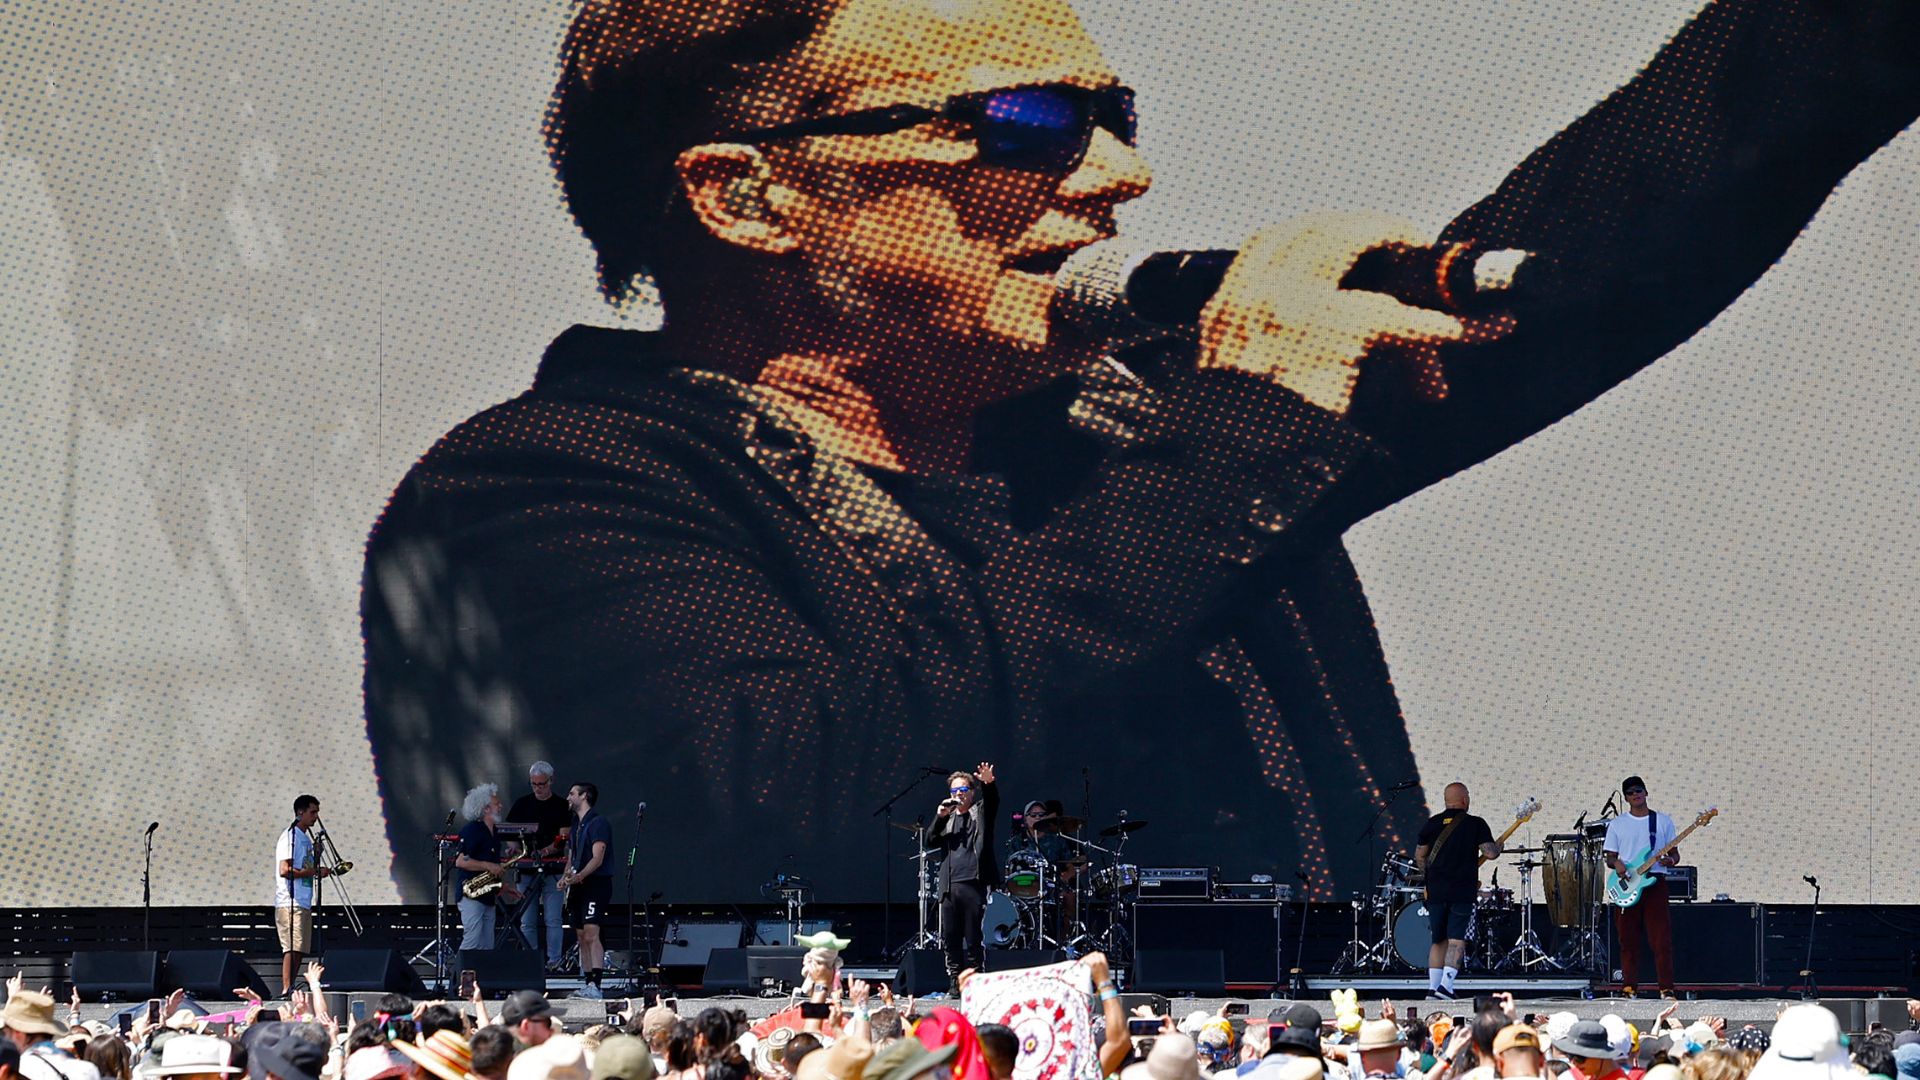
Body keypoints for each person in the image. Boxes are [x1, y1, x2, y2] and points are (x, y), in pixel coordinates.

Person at [360, 0, 1920, 904]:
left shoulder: (1134, 422)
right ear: (749, 196)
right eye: (1025, 122)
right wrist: (1246, 425)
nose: (1123, 175)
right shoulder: (537, 497)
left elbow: (1589, 262)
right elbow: (800, 800)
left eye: (1114, 110)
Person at [1413, 783, 1498, 999]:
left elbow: (1420, 856)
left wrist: (1430, 876)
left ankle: (1433, 989)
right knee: (1456, 939)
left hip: (1435, 891)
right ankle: (1447, 986)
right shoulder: (1475, 824)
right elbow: (1490, 853)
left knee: (1438, 939)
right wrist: (1499, 847)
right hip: (1461, 890)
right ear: (1465, 800)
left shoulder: (1431, 824)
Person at [923, 763, 999, 989]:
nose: (958, 795)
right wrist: (939, 816)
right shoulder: (947, 818)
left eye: (963, 790)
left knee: (973, 937)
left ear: (971, 793)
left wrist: (988, 783)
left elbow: (992, 801)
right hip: (949, 886)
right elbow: (930, 841)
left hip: (973, 882)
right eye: (954, 791)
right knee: (950, 937)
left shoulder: (980, 813)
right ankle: (954, 983)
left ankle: (976, 982)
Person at [1602, 776, 1678, 998]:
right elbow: (1610, 857)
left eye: (1639, 790)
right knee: (1628, 938)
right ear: (1626, 798)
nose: (1636, 795)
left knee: (1661, 938)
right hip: (1627, 884)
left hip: (1655, 882)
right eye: (1630, 792)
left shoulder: (1662, 821)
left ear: (1646, 792)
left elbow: (1675, 854)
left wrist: (1669, 861)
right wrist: (1617, 865)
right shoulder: (1617, 824)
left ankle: (1666, 987)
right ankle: (1629, 987)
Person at [507, 762, 575, 971]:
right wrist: (516, 850)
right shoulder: (521, 804)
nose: (538, 788)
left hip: (553, 869)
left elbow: (564, 837)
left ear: (551, 781)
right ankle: (531, 962)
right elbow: (509, 834)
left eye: (542, 784)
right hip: (526, 870)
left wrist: (544, 852)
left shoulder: (562, 805)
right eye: (534, 784)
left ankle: (554, 961)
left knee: (553, 918)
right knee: (527, 921)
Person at [274, 795, 332, 995]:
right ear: (300, 812)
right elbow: (285, 870)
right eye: (312, 812)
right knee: (291, 946)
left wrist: (316, 855)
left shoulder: (305, 838)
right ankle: (285, 988)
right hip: (290, 899)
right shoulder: (290, 837)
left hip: (303, 899)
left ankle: (290, 988)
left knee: (299, 947)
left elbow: (305, 866)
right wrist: (316, 872)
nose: (315, 817)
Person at [560, 781, 613, 994]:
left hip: (595, 884)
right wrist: (566, 877)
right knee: (581, 936)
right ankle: (587, 982)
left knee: (592, 933)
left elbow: (597, 857)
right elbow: (572, 856)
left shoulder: (598, 823)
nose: (568, 797)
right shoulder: (576, 825)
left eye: (572, 793)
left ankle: (597, 985)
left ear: (584, 796)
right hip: (577, 887)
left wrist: (580, 875)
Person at [454, 784, 518, 953]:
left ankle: (480, 978)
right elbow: (460, 861)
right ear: (485, 808)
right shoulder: (472, 830)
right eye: (497, 803)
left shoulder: (494, 832)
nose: (501, 806)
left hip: (487, 894)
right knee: (472, 939)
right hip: (471, 893)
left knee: (487, 945)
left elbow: (493, 865)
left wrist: (503, 887)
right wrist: (488, 865)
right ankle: (457, 977)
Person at [1551, 1023, 1625, 1080]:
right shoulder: (1589, 1075)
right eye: (1570, 1055)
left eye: (1579, 1057)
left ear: (1599, 1054)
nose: (1573, 1062)